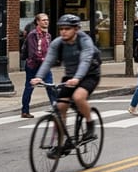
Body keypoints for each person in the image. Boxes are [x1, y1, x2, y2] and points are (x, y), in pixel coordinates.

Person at [30, 14, 102, 143]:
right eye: (61, 29)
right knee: (60, 106)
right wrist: (38, 77)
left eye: (67, 29)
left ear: (76, 29)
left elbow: (85, 60)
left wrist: (77, 78)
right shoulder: (58, 43)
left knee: (78, 97)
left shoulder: (85, 41)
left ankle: (90, 125)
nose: (63, 31)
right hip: (69, 76)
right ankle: (60, 144)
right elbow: (48, 61)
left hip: (89, 74)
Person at [21, 14, 53, 118]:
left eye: (47, 20)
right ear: (38, 22)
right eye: (43, 20)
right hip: (33, 66)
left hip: (44, 66)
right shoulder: (33, 35)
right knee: (29, 87)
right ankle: (25, 111)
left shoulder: (48, 35)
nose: (46, 22)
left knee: (50, 87)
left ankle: (56, 107)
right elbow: (33, 53)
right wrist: (45, 60)